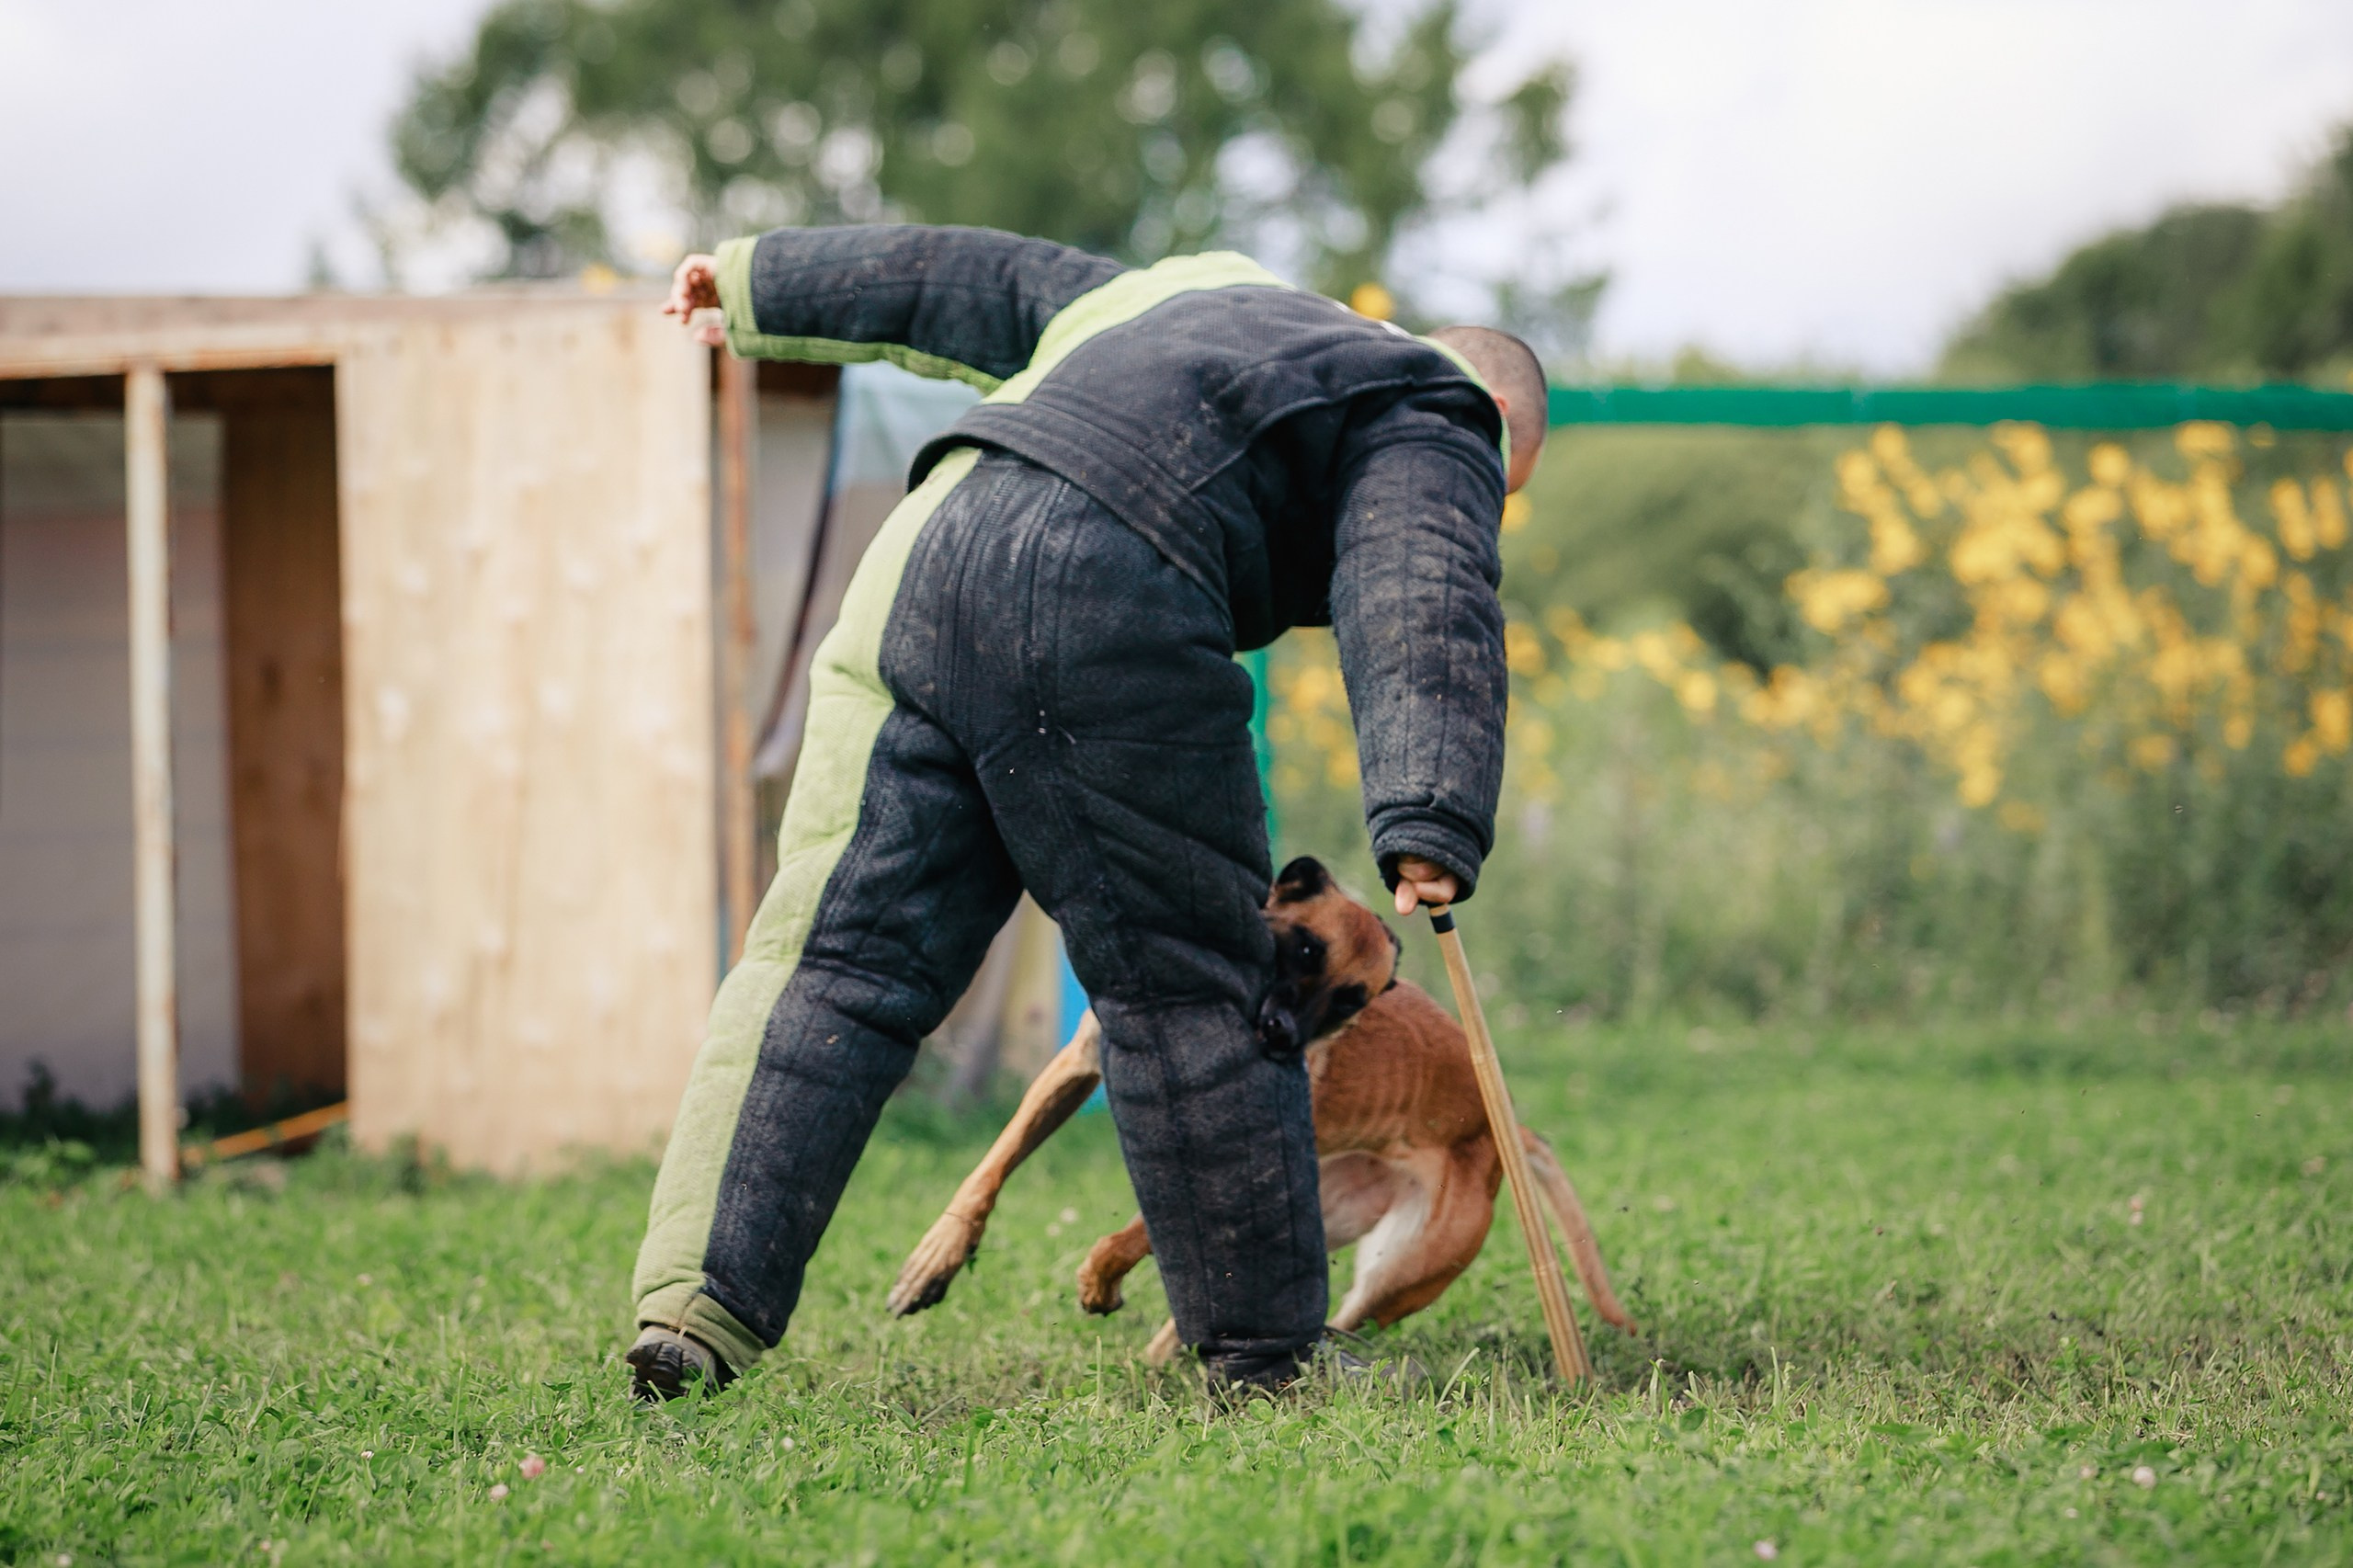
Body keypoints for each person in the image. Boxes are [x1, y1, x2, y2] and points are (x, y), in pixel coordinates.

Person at [628, 223, 1546, 1400]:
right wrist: (1431, 805)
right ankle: (1267, 1357)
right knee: (1196, 984)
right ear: (1500, 422)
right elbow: (1427, 582)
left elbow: (976, 278)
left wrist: (760, 280)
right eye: (1497, 491)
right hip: (1115, 580)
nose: (1483, 501)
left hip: (922, 564)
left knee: (833, 962)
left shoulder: (1190, 289)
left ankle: (692, 1311)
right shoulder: (1443, 402)